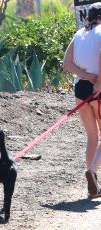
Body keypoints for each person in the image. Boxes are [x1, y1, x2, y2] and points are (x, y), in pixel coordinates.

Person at [63, 2, 101, 198]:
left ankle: (92, 186)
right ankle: (92, 171)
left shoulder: (79, 34)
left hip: (81, 88)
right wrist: (99, 82)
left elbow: (66, 64)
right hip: (98, 89)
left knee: (92, 137)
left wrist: (86, 76)